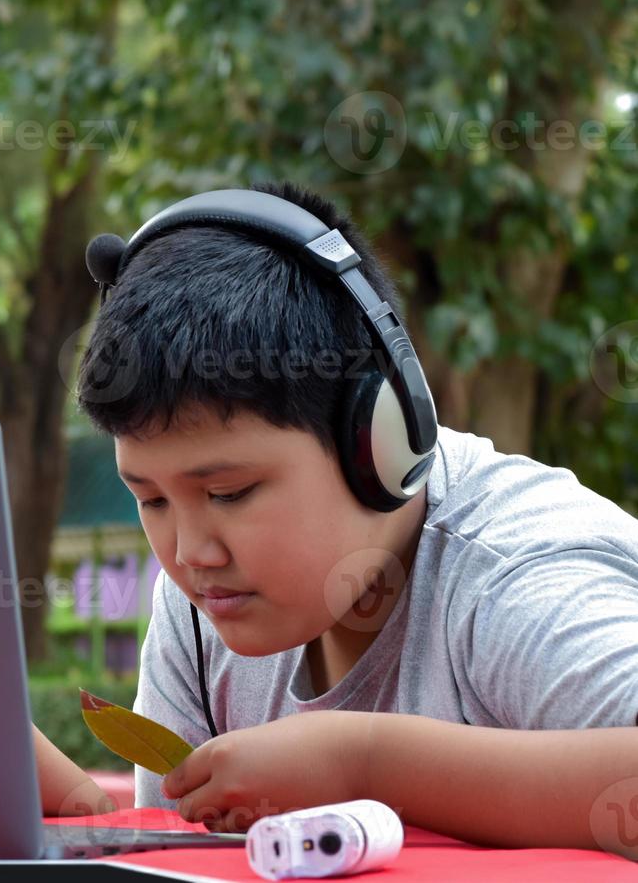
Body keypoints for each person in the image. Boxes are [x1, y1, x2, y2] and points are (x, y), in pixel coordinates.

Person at [73, 182, 638, 850]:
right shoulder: (205, 600)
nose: (191, 551)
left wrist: (366, 762)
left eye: (228, 493)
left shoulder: (516, 579)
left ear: (379, 443)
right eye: (153, 500)